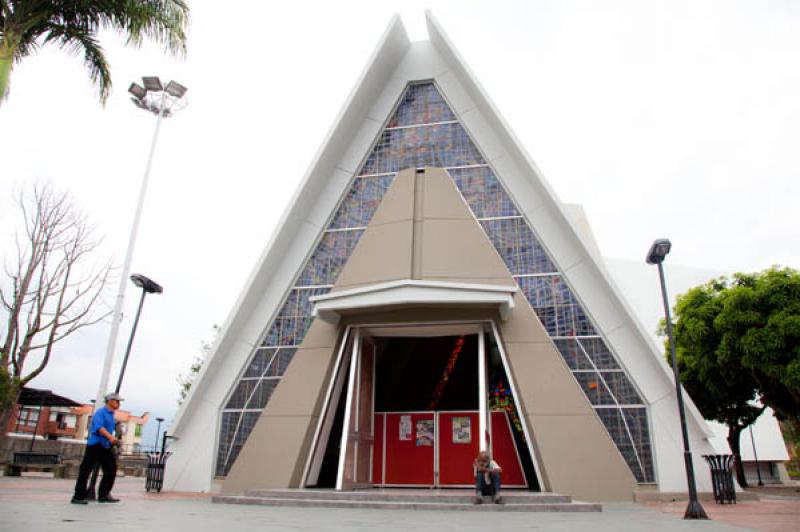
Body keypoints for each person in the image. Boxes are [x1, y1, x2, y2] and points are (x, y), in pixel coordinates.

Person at [71, 393, 123, 504]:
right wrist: (110, 437)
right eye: (116, 401)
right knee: (86, 470)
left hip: (105, 445)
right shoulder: (100, 413)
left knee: (111, 469)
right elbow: (99, 428)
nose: (118, 403)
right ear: (109, 401)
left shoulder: (111, 415)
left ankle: (104, 494)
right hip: (95, 445)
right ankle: (78, 496)